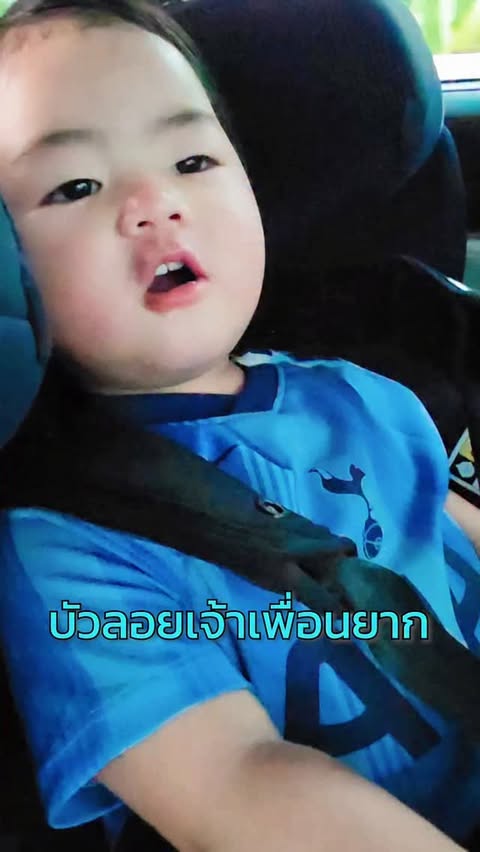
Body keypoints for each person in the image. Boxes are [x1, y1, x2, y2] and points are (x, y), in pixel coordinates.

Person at [0, 1, 479, 850]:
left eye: (192, 159)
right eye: (75, 186)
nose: (155, 202)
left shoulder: (367, 394)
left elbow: (456, 539)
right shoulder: (62, 542)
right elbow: (235, 782)